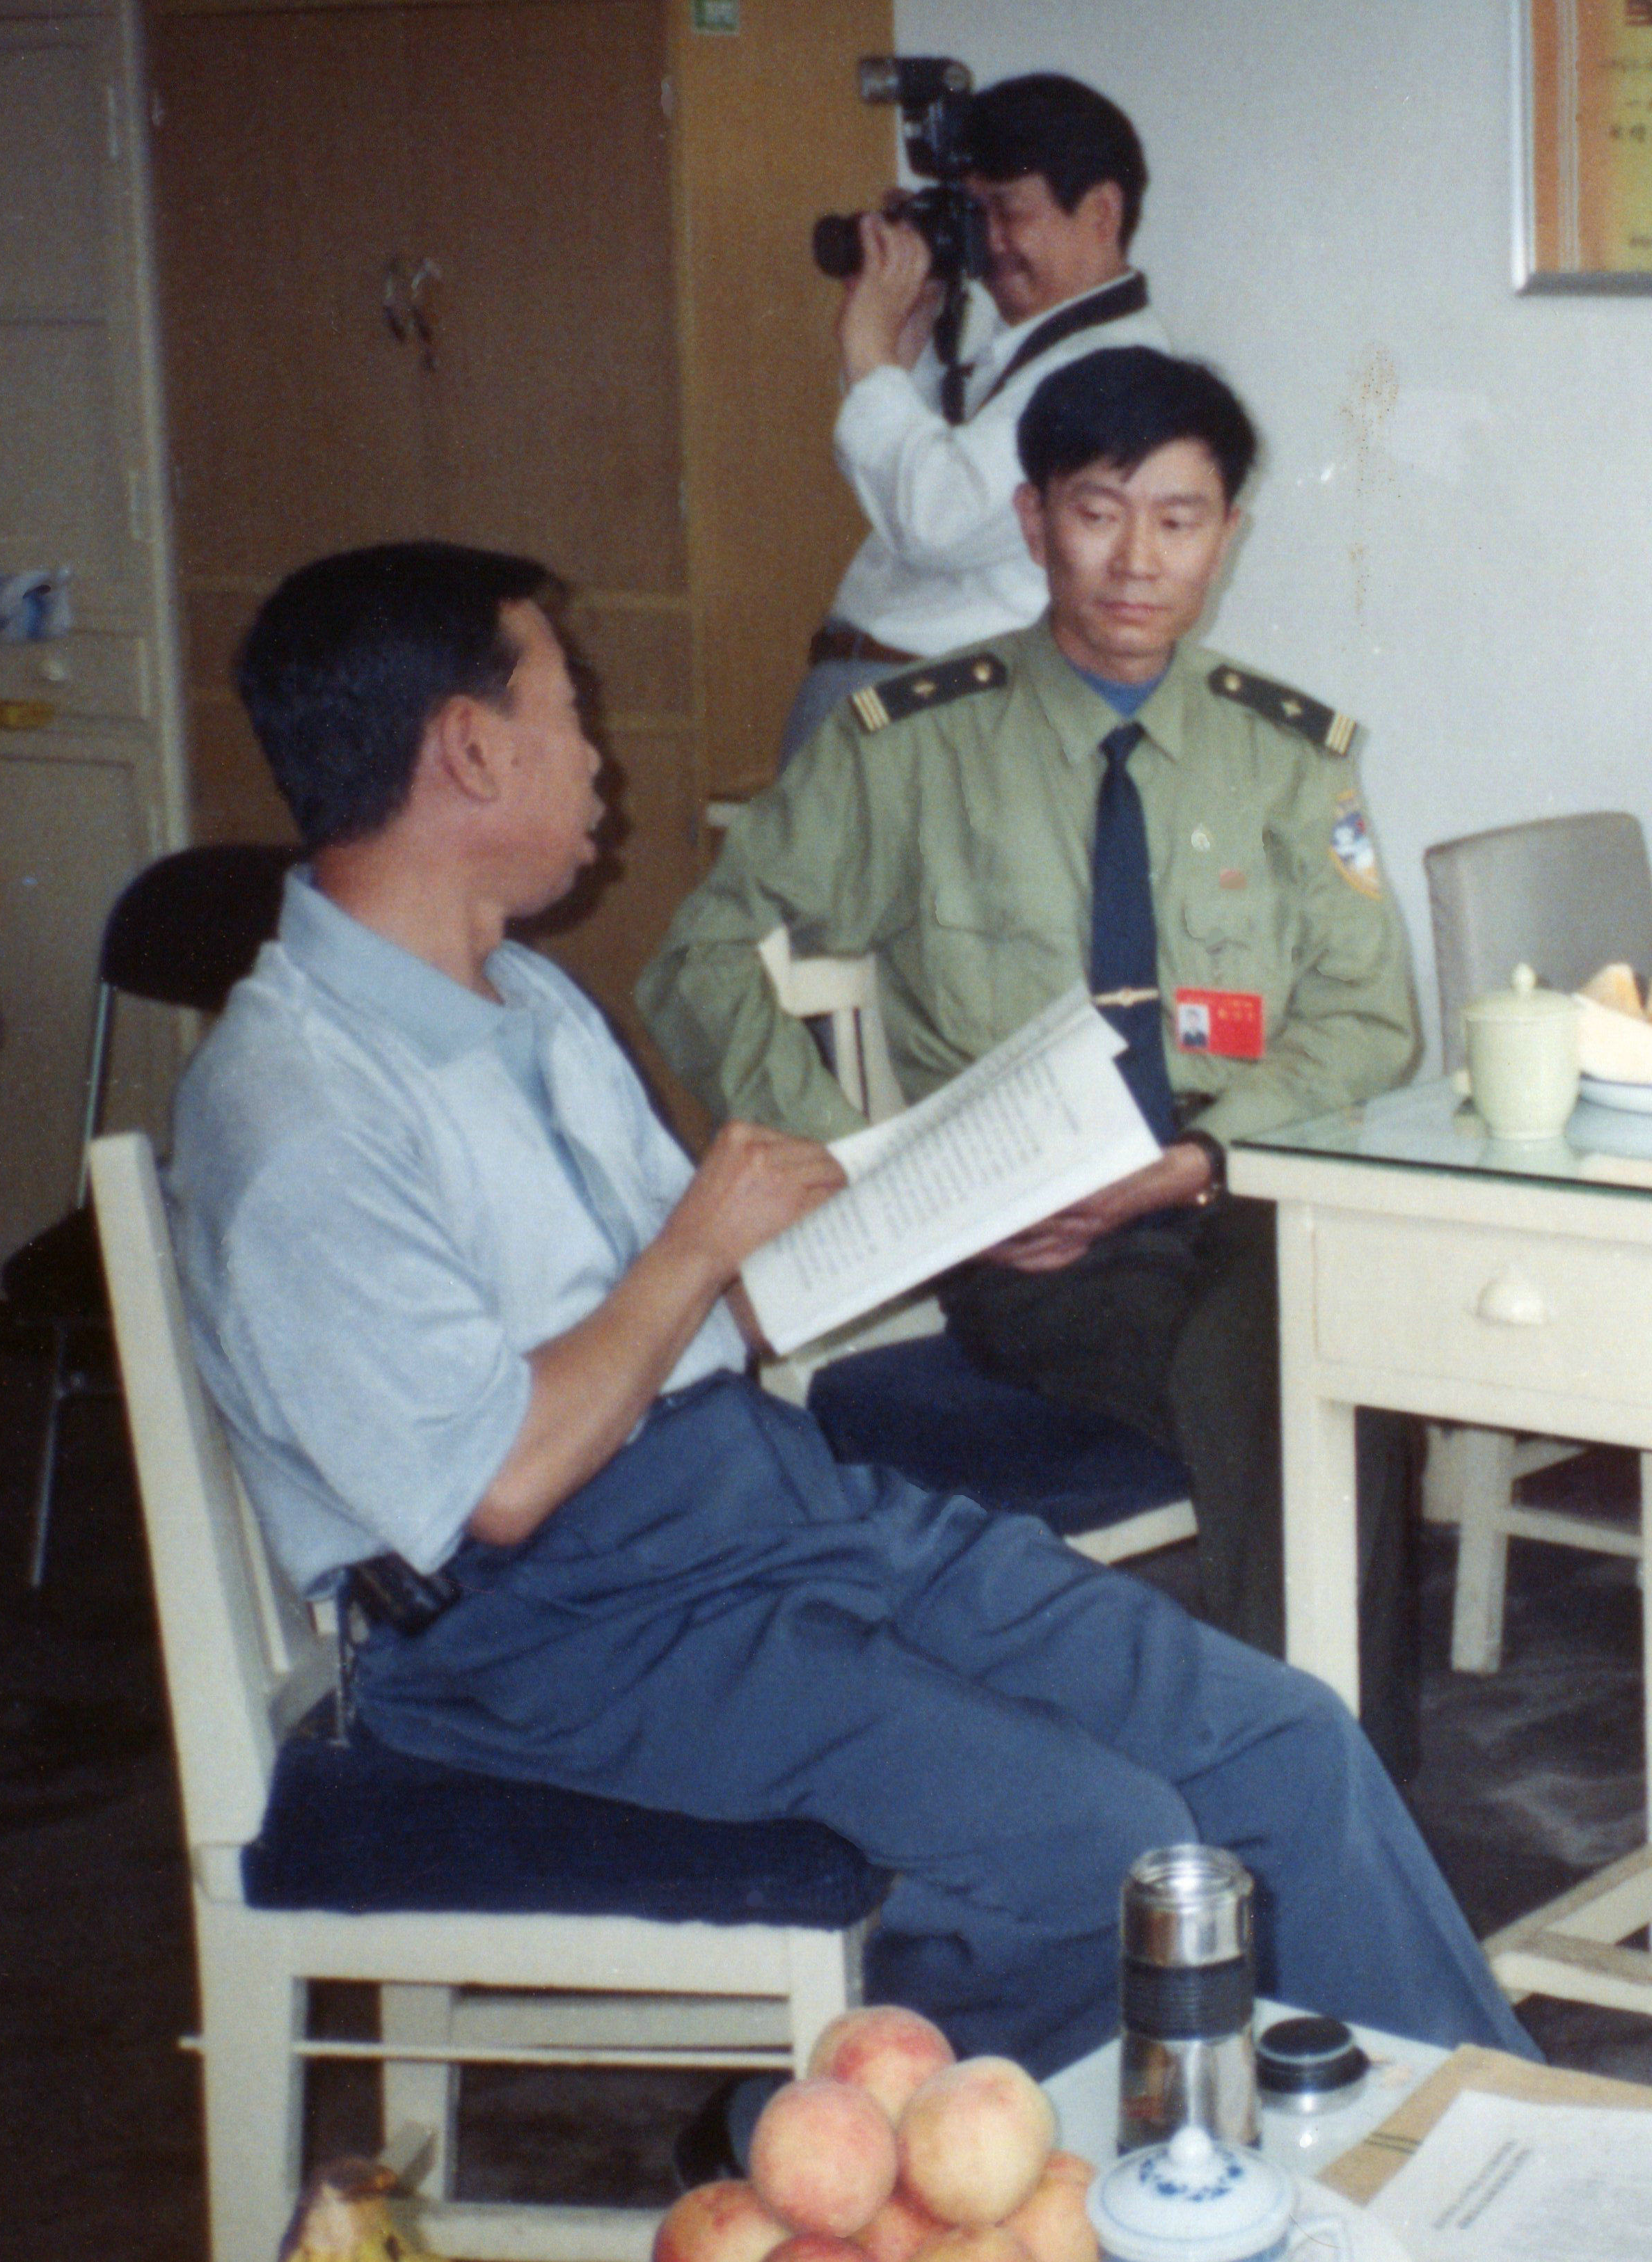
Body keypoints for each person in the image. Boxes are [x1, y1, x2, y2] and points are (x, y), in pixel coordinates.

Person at [167, 540, 1528, 2081]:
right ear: (471, 750)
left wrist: (930, 1203)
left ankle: (1483, 2150)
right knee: (1103, 1845)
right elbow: (502, 1480)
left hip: (758, 1509)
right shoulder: (296, 1112)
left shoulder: (523, 1002)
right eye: (568, 711)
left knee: (1278, 1737)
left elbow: (715, 1314)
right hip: (547, 1630)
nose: (597, 756)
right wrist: (699, 1248)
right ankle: (862, 2149)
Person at [644, 349, 1427, 1763]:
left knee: (1303, 1326)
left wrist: (1195, 1159)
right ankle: (1319, 1767)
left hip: (1239, 1182)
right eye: (1098, 512)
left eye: (1178, 520)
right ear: (1031, 519)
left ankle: (1287, 1764)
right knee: (1314, 1357)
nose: (1137, 561)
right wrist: (873, 1177)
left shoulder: (1286, 755)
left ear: (1228, 535)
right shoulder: (911, 747)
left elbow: (1371, 1022)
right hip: (1038, 1241)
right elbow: (698, 960)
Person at [786, 72, 1173, 760]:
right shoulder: (1038, 350)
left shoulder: (1110, 369)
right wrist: (907, 342)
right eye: (972, 213)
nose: (987, 243)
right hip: (894, 701)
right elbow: (907, 485)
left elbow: (937, 519)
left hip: (934, 715)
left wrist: (868, 348)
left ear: (1102, 212)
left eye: (1009, 210)